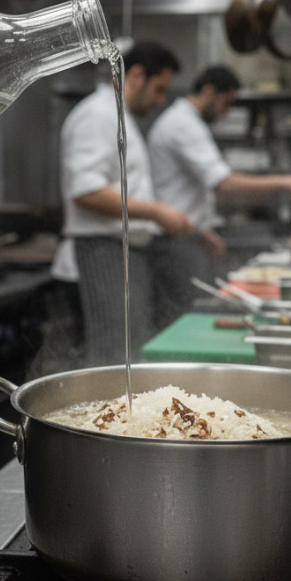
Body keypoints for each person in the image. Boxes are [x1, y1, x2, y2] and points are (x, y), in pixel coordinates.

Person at [52, 41, 194, 367]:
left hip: (124, 252)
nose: (160, 101)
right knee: (113, 358)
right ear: (137, 74)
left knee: (128, 354)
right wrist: (157, 212)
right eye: (158, 90)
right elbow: (85, 191)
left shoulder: (118, 116)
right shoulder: (96, 115)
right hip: (103, 250)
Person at [148, 65, 291, 326]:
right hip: (174, 245)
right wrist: (288, 181)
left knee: (190, 315)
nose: (226, 111)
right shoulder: (182, 124)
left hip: (184, 236)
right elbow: (222, 182)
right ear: (208, 92)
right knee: (186, 321)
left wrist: (200, 232)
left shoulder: (187, 122)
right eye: (226, 103)